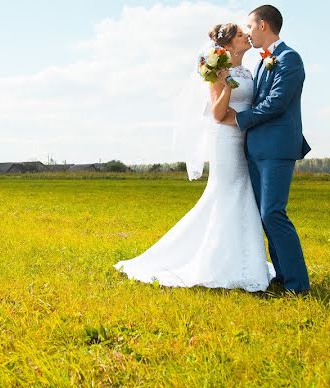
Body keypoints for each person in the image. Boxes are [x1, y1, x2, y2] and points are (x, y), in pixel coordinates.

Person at [114, 22, 274, 292]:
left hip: (247, 138)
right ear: (227, 45)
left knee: (243, 195)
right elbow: (217, 113)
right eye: (239, 35)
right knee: (226, 195)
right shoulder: (217, 72)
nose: (246, 36)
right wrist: (225, 86)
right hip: (226, 140)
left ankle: (248, 262)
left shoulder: (249, 70)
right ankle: (218, 263)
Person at [219, 5, 311, 294]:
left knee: (273, 213)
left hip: (277, 147)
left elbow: (276, 102)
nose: (246, 32)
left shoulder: (289, 58)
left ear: (262, 25)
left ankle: (298, 285)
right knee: (264, 214)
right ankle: (283, 277)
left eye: (249, 26)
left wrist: (240, 119)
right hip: (256, 148)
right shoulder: (261, 63)